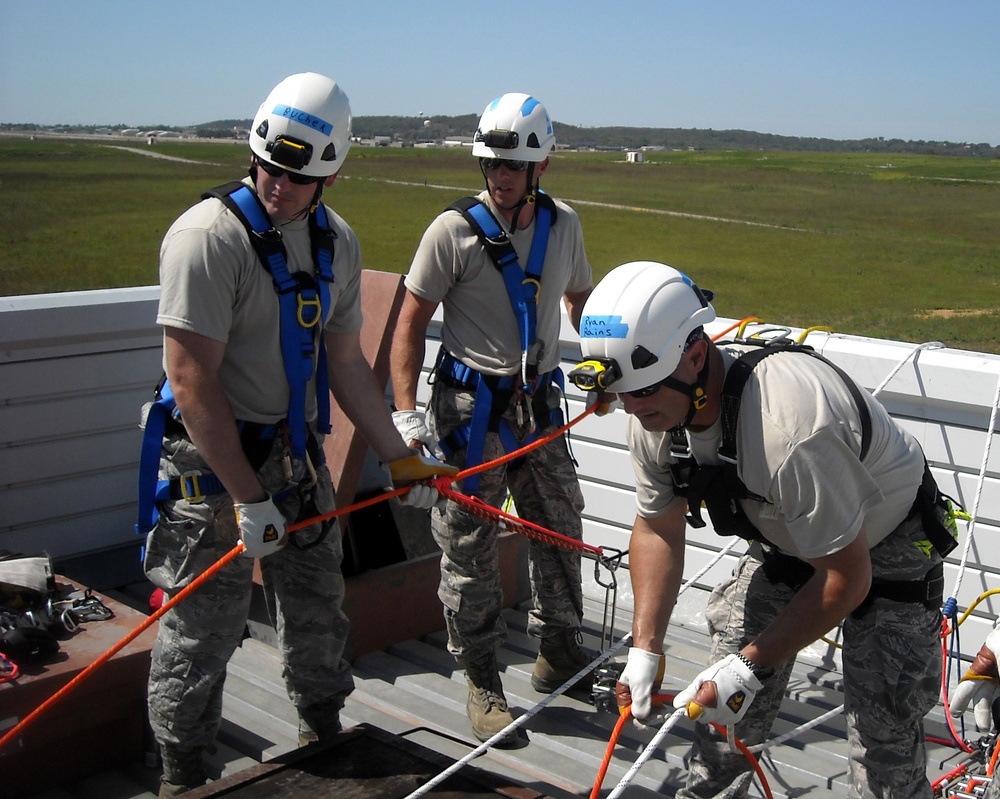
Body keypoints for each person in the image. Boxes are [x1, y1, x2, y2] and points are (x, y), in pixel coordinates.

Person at [140, 72, 455, 798]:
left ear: (332, 174)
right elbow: (191, 380)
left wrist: (398, 456)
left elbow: (345, 365)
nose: (279, 186)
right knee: (203, 628)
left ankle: (325, 733)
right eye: (270, 168)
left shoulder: (335, 244)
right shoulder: (207, 239)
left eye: (299, 175)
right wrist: (247, 498)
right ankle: (182, 774)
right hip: (209, 462)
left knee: (317, 606)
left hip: (291, 455)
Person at [569, 260, 955, 799]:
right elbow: (657, 529)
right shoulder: (655, 416)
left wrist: (749, 665)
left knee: (882, 745)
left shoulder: (789, 428)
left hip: (887, 544)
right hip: (788, 541)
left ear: (696, 356)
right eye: (623, 393)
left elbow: (846, 577)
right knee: (722, 720)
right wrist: (645, 649)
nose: (633, 408)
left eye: (645, 390)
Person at [389, 92, 594, 744]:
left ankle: (558, 648)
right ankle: (482, 679)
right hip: (469, 413)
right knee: (470, 550)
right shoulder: (452, 232)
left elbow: (579, 300)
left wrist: (608, 361)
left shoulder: (563, 226)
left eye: (513, 166)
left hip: (540, 406)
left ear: (541, 167)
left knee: (560, 527)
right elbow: (409, 325)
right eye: (491, 164)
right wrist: (406, 418)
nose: (500, 176)